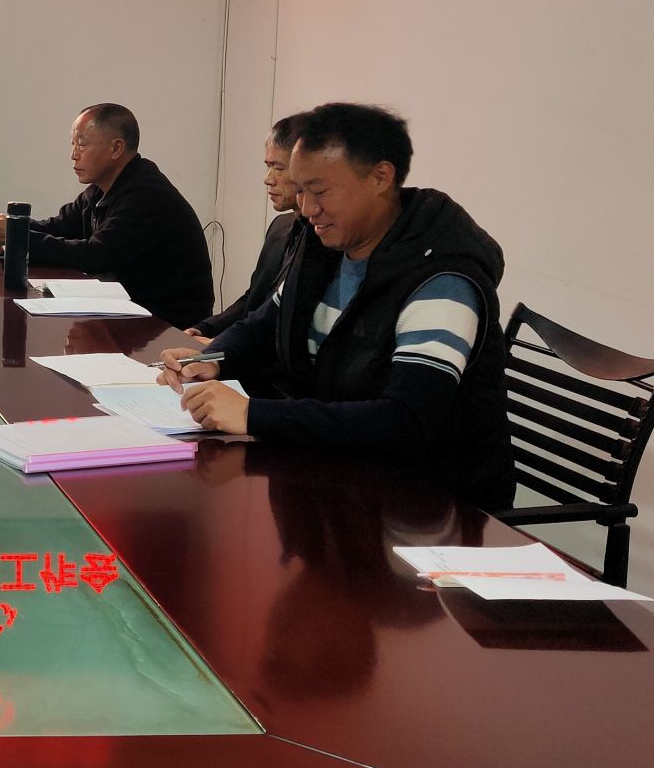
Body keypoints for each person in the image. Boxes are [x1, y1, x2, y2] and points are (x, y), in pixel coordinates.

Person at [159, 103, 514, 510]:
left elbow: (405, 421)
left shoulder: (441, 281)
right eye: (301, 190)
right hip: (339, 471)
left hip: (430, 504)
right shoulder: (324, 245)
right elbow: (267, 323)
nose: (308, 209)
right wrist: (211, 359)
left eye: (321, 191)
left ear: (381, 177)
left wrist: (253, 414)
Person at [0, 102, 214, 327]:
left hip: (167, 324)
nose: (73, 154)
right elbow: (58, 227)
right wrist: (6, 228)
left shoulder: (147, 194)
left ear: (116, 148)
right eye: (73, 144)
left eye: (82, 144)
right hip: (125, 310)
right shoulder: (101, 188)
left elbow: (96, 256)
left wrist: (16, 235)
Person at [187, 111, 309, 342]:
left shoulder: (328, 240)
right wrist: (205, 328)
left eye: (278, 168)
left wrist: (221, 346)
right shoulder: (281, 226)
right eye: (268, 166)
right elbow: (253, 299)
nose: (268, 178)